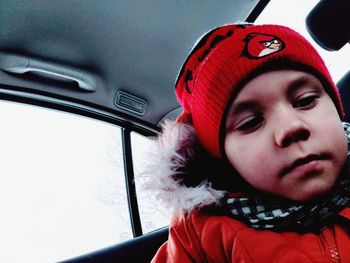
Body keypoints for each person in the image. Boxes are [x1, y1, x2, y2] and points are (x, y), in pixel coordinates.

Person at [144, 23, 350, 262]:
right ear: (225, 158)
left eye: (305, 101)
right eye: (251, 122)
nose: (291, 128)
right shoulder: (201, 237)